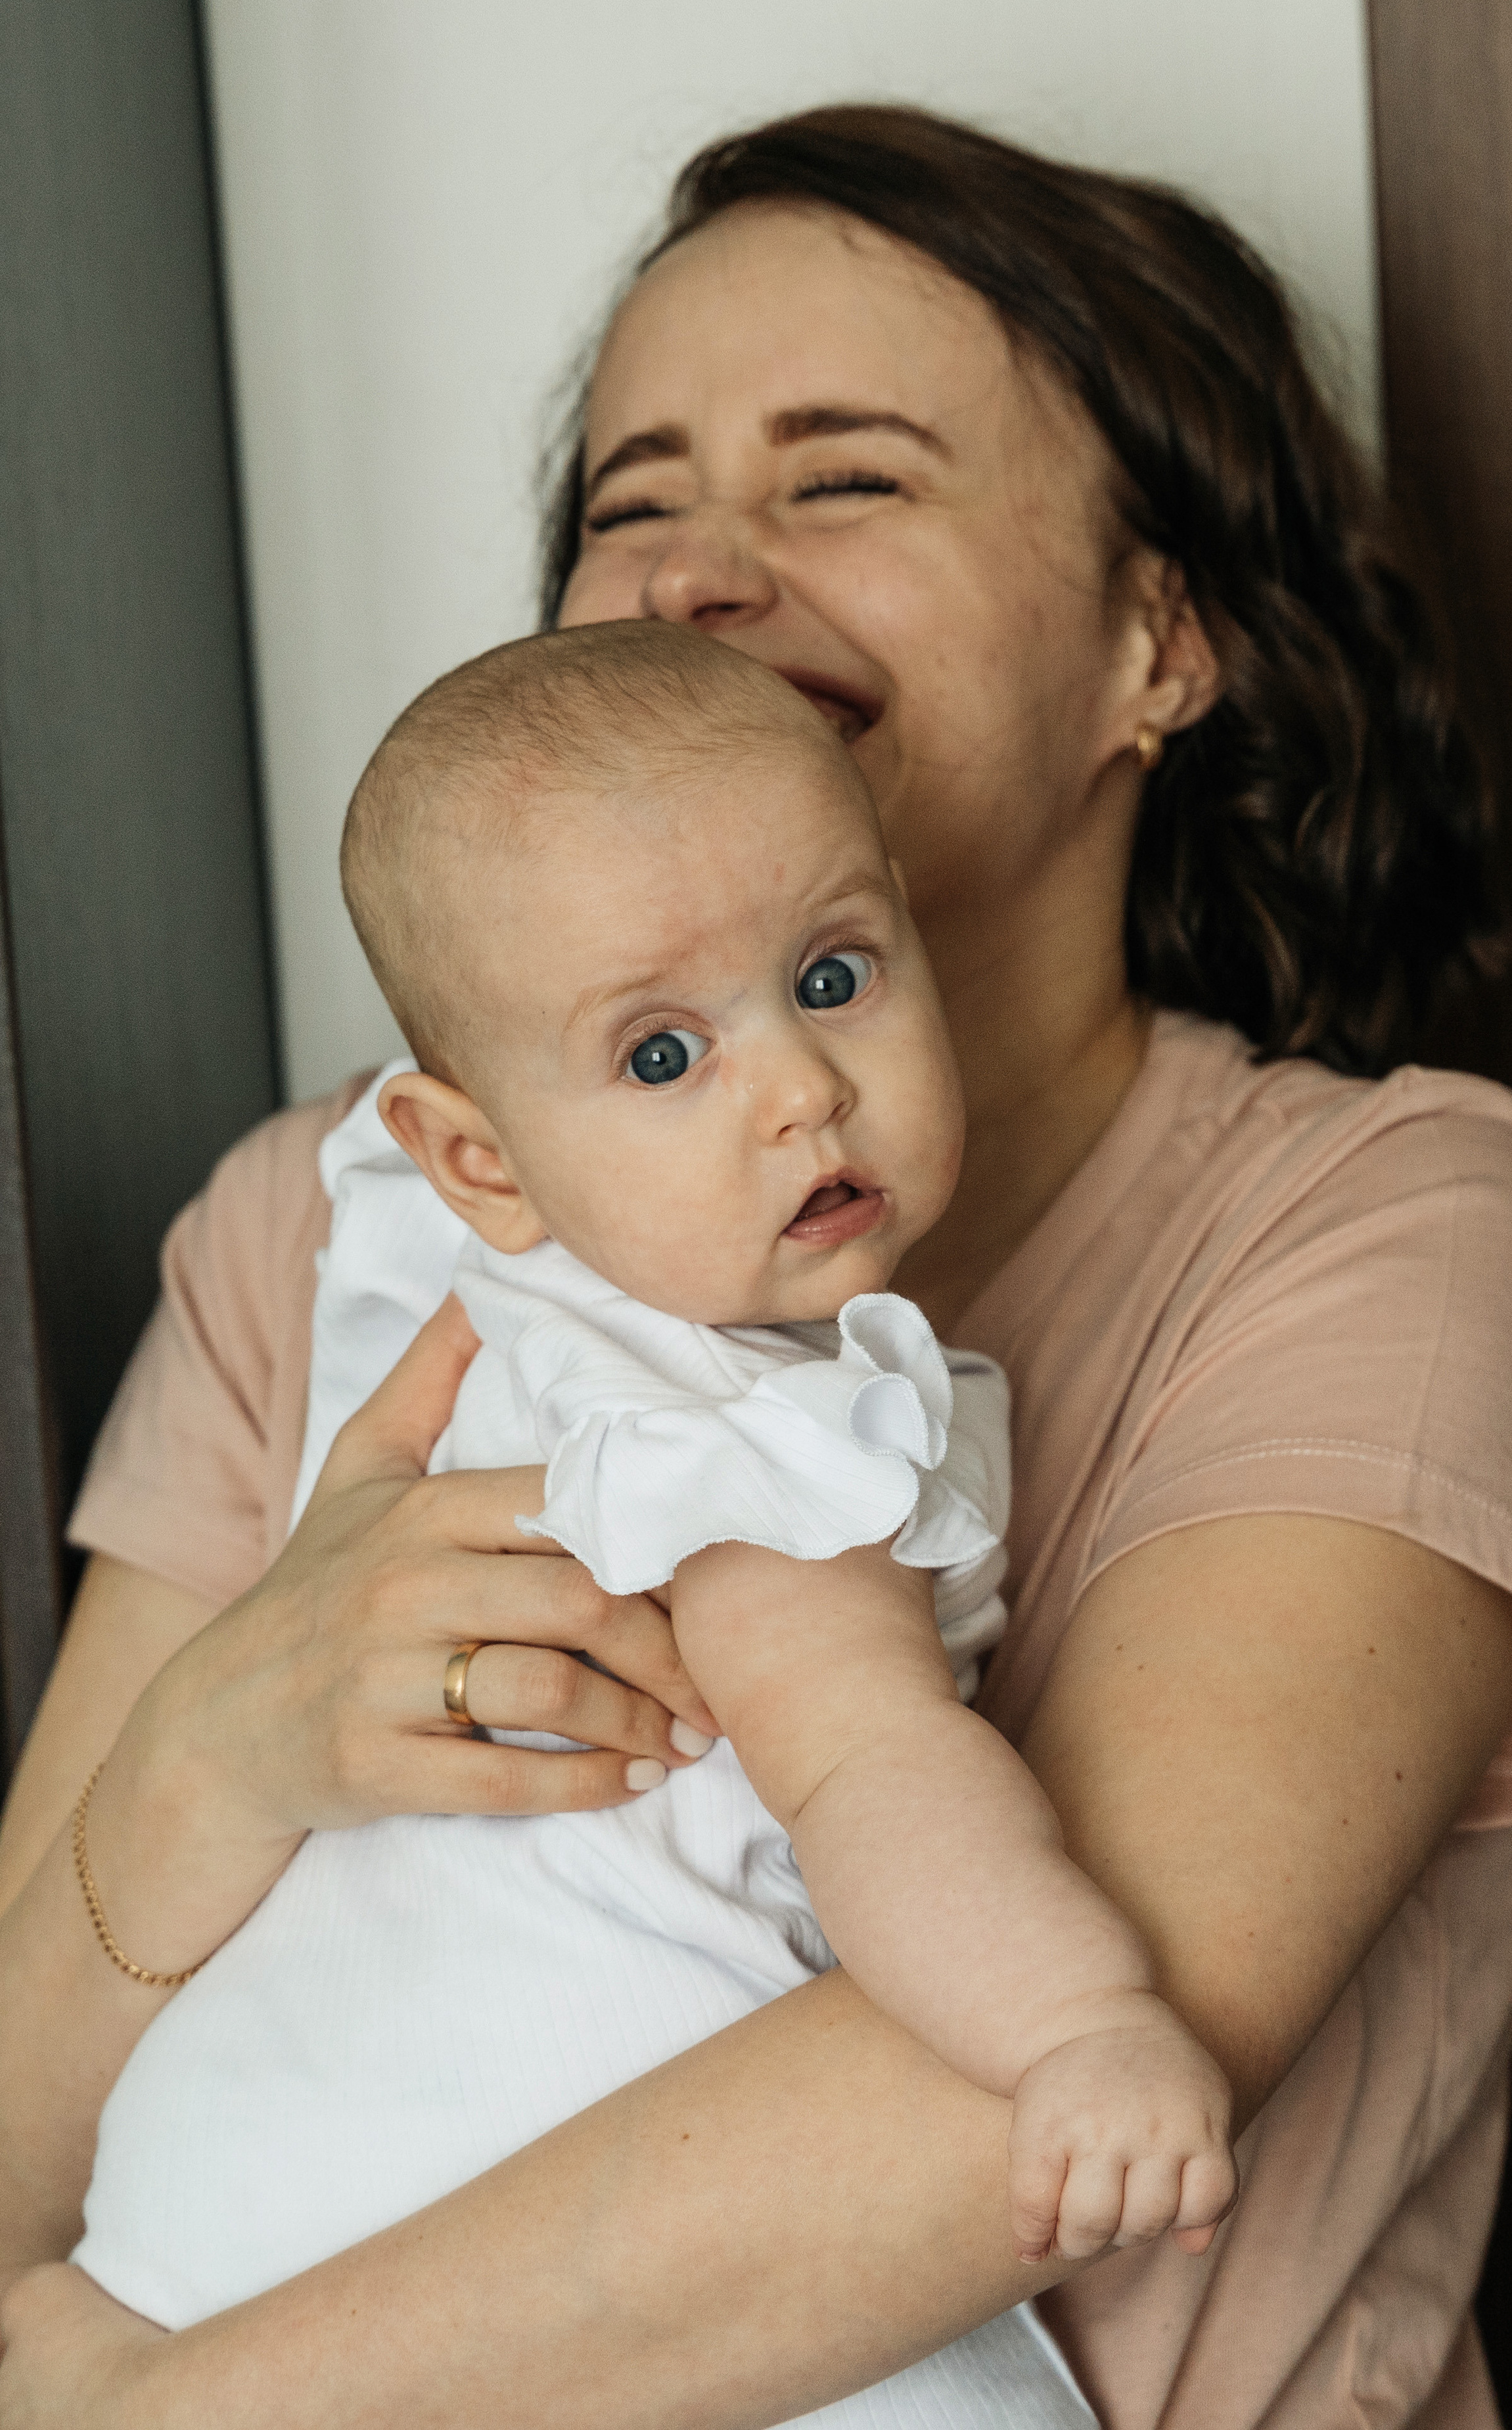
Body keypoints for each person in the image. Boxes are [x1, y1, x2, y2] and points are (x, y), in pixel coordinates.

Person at [0, 105, 1512, 2430]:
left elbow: (1027, 2112)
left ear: (1156, 644)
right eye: (632, 501)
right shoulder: (337, 1218)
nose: (700, 574)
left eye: (843, 479)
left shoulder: (1391, 1227)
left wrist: (164, 2416)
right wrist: (221, 1749)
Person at [72, 624, 1233, 2383]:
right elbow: (879, 1780)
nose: (800, 1088)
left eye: (834, 977)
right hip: (494, 2178)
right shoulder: (734, 1440)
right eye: (663, 1057)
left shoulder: (440, 1296)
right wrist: (1085, 2022)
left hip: (216, 2199)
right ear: (480, 1156)